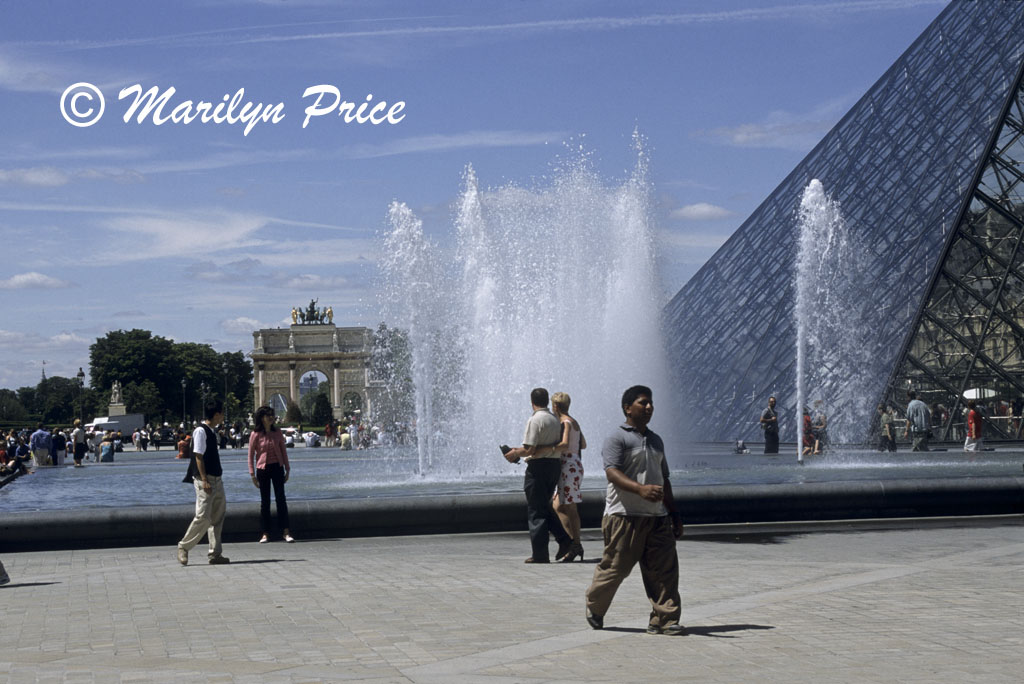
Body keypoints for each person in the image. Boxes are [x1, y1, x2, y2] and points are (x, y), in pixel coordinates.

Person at [585, 385, 684, 635]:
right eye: (643, 403)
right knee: (616, 568)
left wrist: (674, 514)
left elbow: (664, 479)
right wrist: (640, 490)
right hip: (623, 515)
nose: (649, 407)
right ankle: (595, 606)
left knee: (665, 571)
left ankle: (665, 618)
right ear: (627, 408)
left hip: (657, 517)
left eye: (650, 403)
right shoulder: (617, 438)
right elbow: (611, 472)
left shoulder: (656, 440)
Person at [502, 387, 573, 563]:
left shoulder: (535, 420)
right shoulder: (555, 419)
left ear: (531, 401)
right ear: (547, 401)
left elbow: (530, 449)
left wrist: (514, 453)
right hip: (553, 466)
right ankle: (565, 541)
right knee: (543, 507)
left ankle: (540, 555)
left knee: (536, 511)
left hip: (538, 468)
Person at [177, 399, 230, 566]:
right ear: (216, 414)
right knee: (203, 517)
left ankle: (215, 554)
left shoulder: (211, 430)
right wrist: (205, 480)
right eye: (222, 414)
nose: (223, 417)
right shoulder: (201, 431)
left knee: (217, 517)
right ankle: (183, 547)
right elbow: (198, 456)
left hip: (216, 479)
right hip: (205, 479)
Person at [248, 405, 294, 543]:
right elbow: (250, 456)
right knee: (265, 502)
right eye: (269, 416)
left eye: (272, 415)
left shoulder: (278, 432)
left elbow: (283, 451)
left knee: (281, 500)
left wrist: (287, 469)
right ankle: (265, 533)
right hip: (262, 470)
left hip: (277, 468)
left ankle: (286, 532)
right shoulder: (255, 434)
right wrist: (252, 475)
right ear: (262, 418)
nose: (272, 418)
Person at [550, 391, 586, 563]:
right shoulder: (575, 422)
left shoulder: (565, 423)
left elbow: (564, 444)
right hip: (576, 464)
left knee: (569, 508)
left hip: (568, 467)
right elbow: (583, 444)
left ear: (555, 406)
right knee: (559, 505)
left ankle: (575, 544)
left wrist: (547, 449)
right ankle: (573, 543)